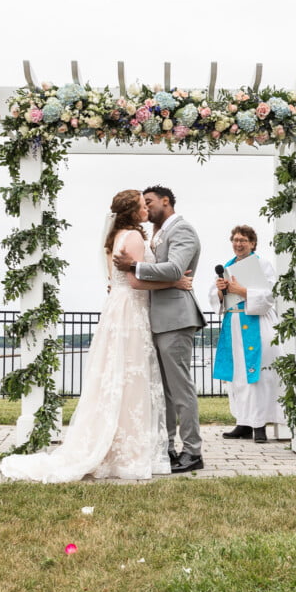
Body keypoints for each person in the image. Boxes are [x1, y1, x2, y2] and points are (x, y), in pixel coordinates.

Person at [1, 189, 193, 482]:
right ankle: (127, 449)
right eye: (142, 206)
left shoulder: (114, 237)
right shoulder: (135, 237)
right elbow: (136, 283)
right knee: (132, 378)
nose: (146, 210)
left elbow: (116, 281)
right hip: (131, 310)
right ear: (132, 211)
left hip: (118, 308)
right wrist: (174, 284)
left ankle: (115, 441)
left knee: (116, 377)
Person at [113, 185, 207, 473]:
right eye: (142, 203)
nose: (146, 207)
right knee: (162, 390)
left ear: (166, 201)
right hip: (154, 317)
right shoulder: (155, 233)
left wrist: (135, 266)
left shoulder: (183, 230)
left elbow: (176, 269)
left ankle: (192, 451)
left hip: (176, 317)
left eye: (150, 202)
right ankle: (165, 447)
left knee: (180, 389)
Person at [210, 225, 284, 443]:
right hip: (233, 323)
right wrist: (221, 290)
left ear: (253, 243)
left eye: (243, 240)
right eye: (235, 240)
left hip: (257, 323)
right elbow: (216, 299)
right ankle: (243, 422)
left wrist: (241, 291)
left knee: (258, 375)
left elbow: (269, 295)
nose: (238, 244)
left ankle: (260, 425)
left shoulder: (262, 264)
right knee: (238, 377)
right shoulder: (227, 267)